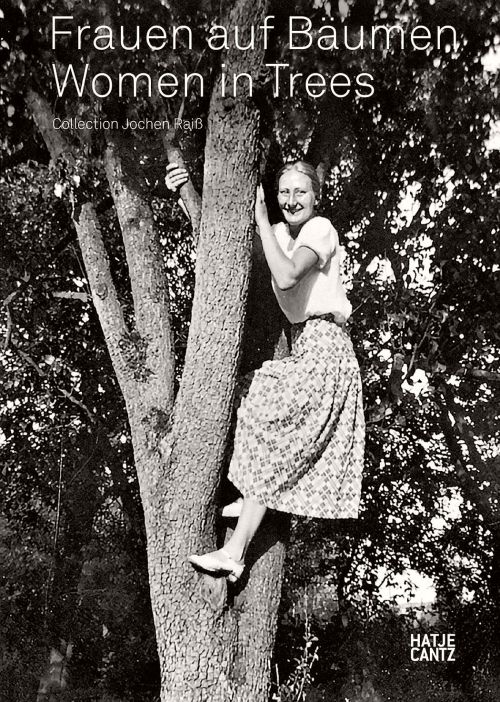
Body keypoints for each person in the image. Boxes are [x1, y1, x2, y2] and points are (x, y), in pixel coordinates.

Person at [165, 160, 365, 583]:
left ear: (316, 197)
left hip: (327, 348)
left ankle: (235, 549)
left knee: (272, 425)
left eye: (301, 192)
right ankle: (251, 493)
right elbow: (224, 250)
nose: (291, 201)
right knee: (250, 397)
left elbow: (289, 276)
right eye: (284, 193)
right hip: (306, 346)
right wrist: (185, 193)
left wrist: (260, 220)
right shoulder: (278, 236)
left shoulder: (319, 231)